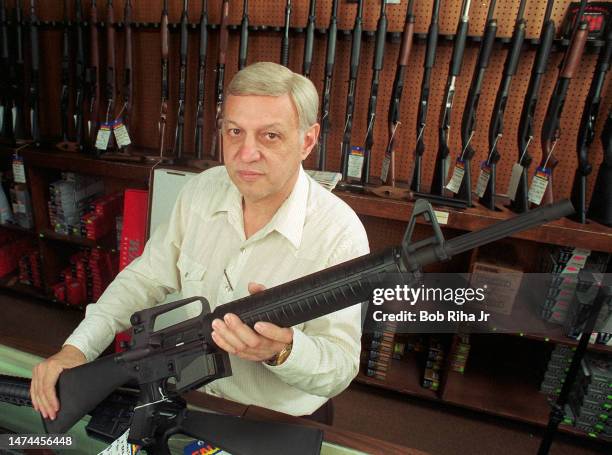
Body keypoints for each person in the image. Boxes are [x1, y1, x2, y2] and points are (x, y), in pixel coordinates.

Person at [30, 62, 369, 423]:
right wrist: (77, 350)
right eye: (235, 131)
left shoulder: (340, 235)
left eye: (271, 136)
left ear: (307, 140)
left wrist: (283, 351)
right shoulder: (202, 190)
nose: (246, 153)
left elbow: (340, 367)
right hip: (193, 404)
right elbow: (143, 278)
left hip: (277, 422)